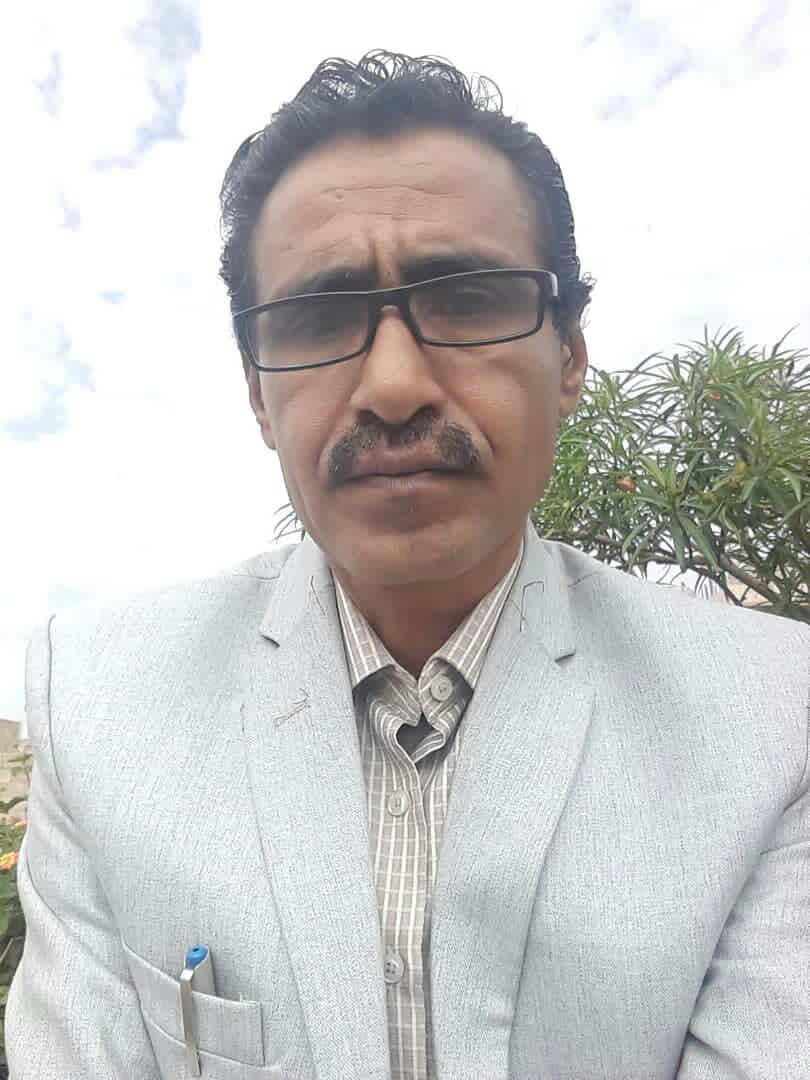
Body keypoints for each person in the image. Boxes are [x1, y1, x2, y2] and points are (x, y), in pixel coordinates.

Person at [6, 50, 809, 1080]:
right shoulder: (101, 708)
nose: (393, 385)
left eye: (467, 298)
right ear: (257, 395)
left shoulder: (771, 717)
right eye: (317, 317)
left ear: (569, 357)